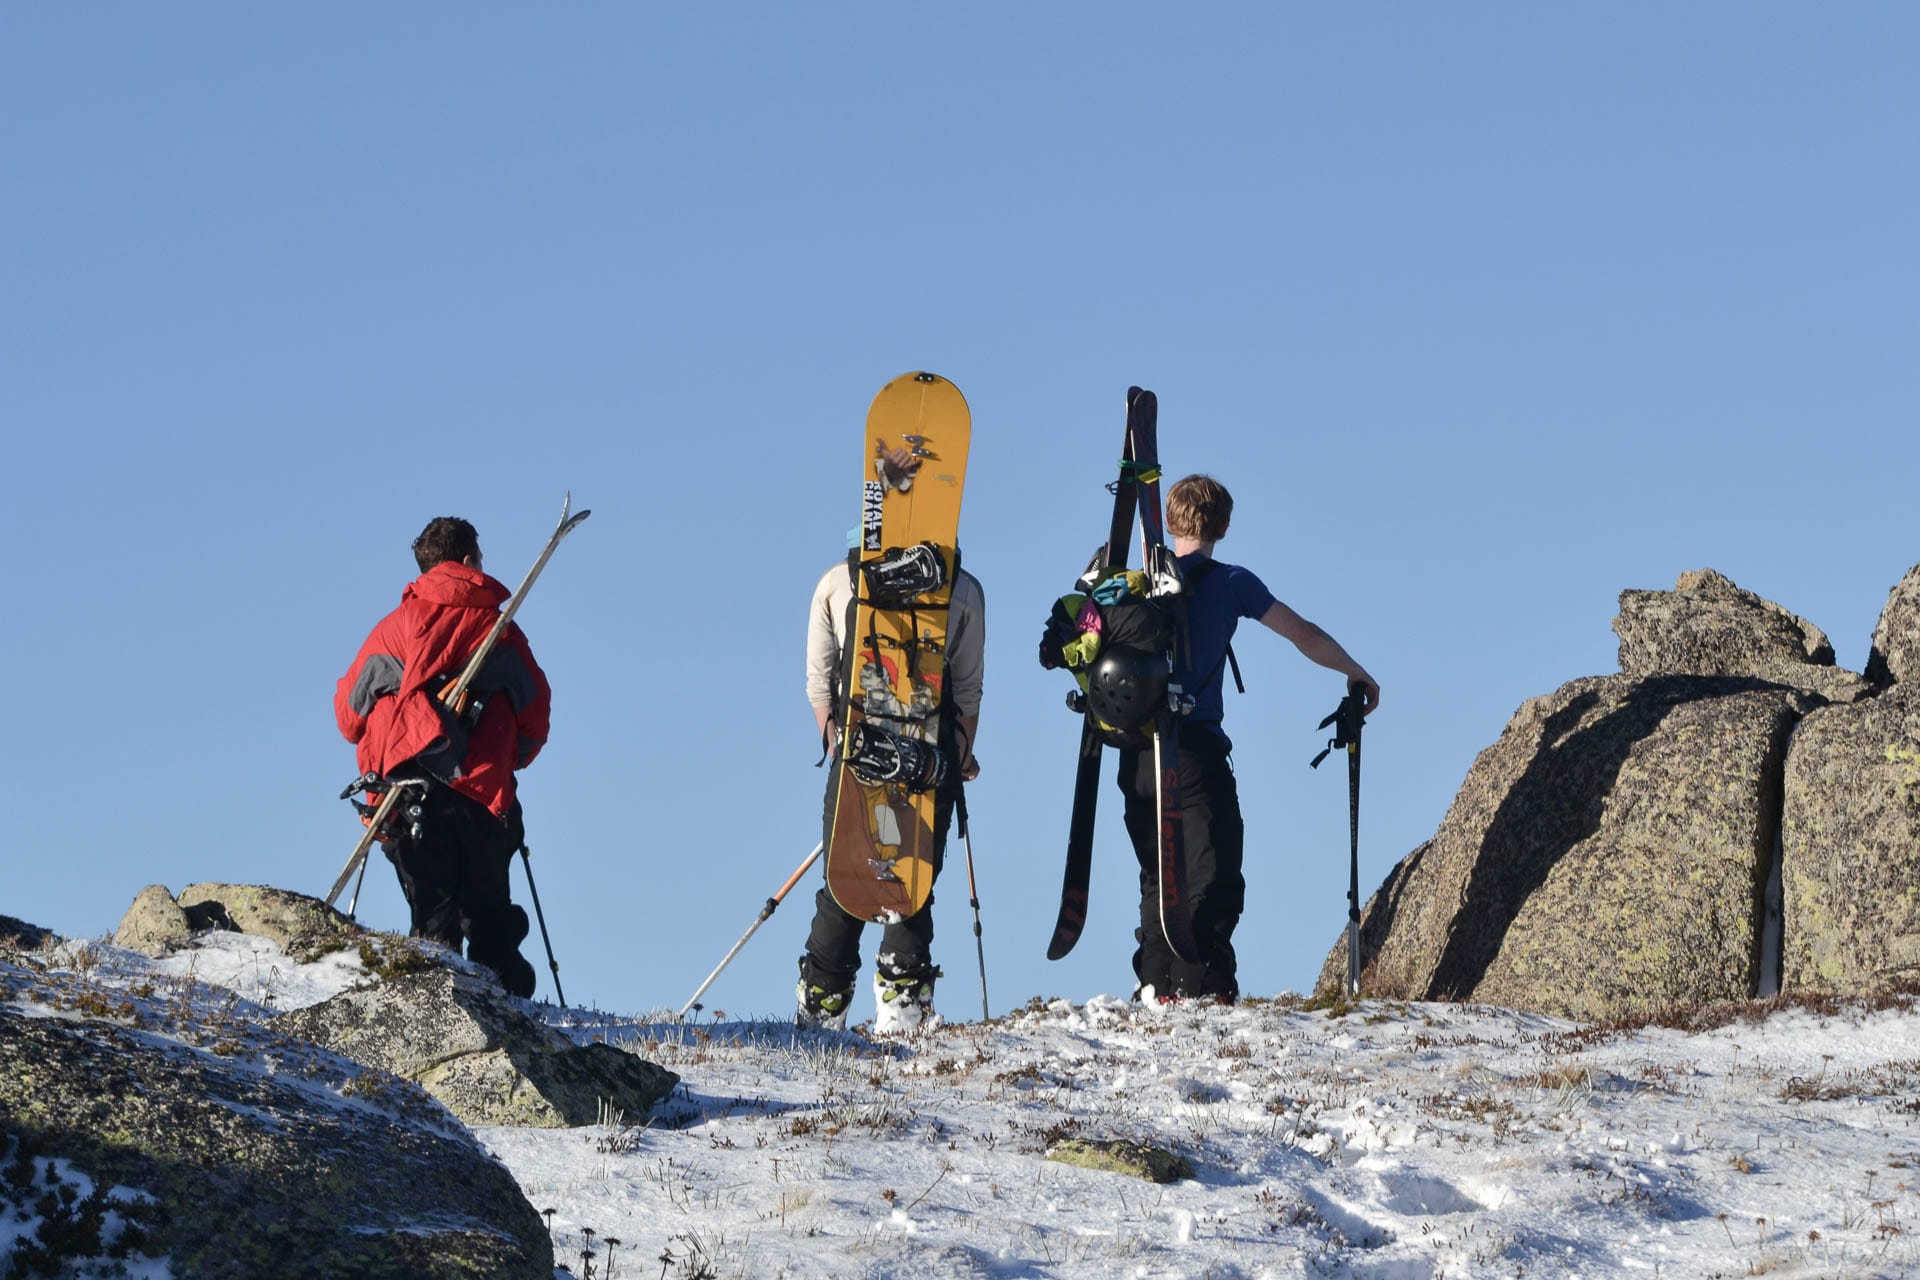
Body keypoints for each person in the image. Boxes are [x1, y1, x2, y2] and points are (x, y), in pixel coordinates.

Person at [1118, 474, 1379, 1005]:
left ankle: (1155, 984)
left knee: (1158, 872)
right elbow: (1302, 633)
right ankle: (1203, 982)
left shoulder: (1139, 582)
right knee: (1213, 869)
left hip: (1137, 751)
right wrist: (1358, 674)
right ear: (1225, 525)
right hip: (1192, 749)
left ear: (1169, 520)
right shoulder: (1233, 582)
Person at [334, 516, 550, 998]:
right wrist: (508, 758)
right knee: (492, 919)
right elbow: (536, 717)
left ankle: (441, 1012)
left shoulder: (390, 633)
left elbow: (349, 718)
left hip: (407, 795)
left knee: (433, 921)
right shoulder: (502, 633)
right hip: (482, 797)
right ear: (471, 560)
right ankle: (509, 1013)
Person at [798, 473, 984, 1031]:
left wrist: (835, 740)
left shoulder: (837, 581)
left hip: (858, 752)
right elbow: (968, 689)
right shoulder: (964, 589)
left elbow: (818, 681)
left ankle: (823, 999)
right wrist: (961, 752)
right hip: (931, 757)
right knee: (913, 872)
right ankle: (904, 999)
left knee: (845, 873)